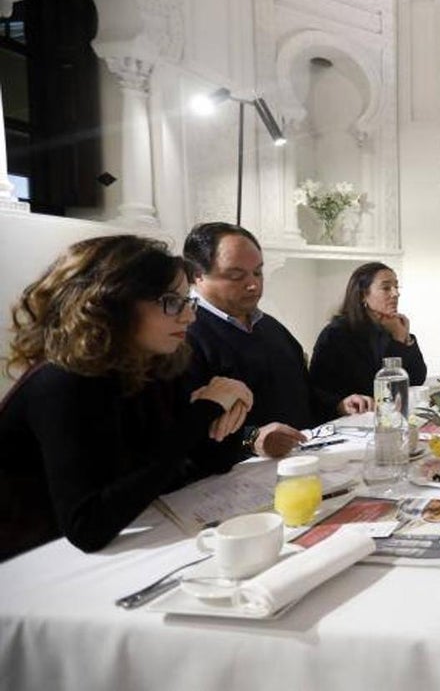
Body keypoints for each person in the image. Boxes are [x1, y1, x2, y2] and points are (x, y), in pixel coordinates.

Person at [0, 236, 254, 560]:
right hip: (28, 567)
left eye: (186, 302)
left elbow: (205, 463)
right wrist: (203, 412)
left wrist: (227, 410)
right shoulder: (61, 383)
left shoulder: (157, 363)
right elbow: (87, 526)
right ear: (113, 305)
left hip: (113, 545)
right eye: (171, 302)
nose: (190, 317)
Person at [182, 223, 370, 457]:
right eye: (236, 275)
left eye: (258, 272)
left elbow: (302, 391)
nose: (253, 284)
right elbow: (185, 431)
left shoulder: (270, 327)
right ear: (197, 275)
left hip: (304, 456)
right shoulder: (183, 333)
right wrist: (252, 439)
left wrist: (338, 405)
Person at [310, 262, 427, 401]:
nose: (396, 293)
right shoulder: (336, 333)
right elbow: (375, 387)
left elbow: (417, 378)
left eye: (396, 287)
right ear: (363, 295)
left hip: (386, 411)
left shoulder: (393, 326)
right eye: (386, 288)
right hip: (348, 416)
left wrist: (403, 338)